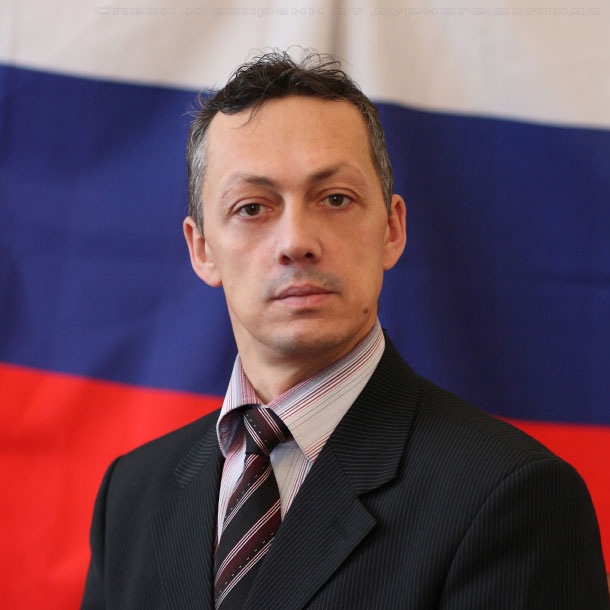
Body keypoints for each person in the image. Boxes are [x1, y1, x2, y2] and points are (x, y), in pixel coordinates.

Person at [81, 51, 609, 610]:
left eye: (335, 199)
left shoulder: (514, 495)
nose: (296, 242)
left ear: (392, 230)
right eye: (252, 208)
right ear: (202, 249)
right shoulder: (130, 496)